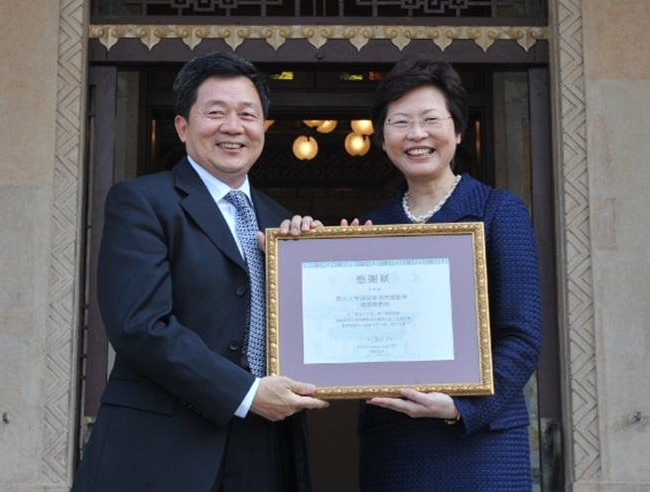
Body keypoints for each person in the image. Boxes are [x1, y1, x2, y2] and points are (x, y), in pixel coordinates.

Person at [72, 51, 329, 492]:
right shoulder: (143, 202)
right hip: (163, 449)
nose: (234, 126)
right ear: (182, 126)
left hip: (267, 445)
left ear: (262, 128)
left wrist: (324, 260)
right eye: (216, 112)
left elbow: (314, 330)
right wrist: (246, 394)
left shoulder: (283, 223)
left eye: (248, 114)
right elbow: (140, 326)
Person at [355, 56, 542, 491]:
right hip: (395, 444)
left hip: (480, 444)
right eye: (399, 122)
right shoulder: (370, 229)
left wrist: (461, 405)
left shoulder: (499, 212)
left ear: (457, 130)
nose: (416, 135)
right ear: (382, 139)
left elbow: (523, 336)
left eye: (430, 120)